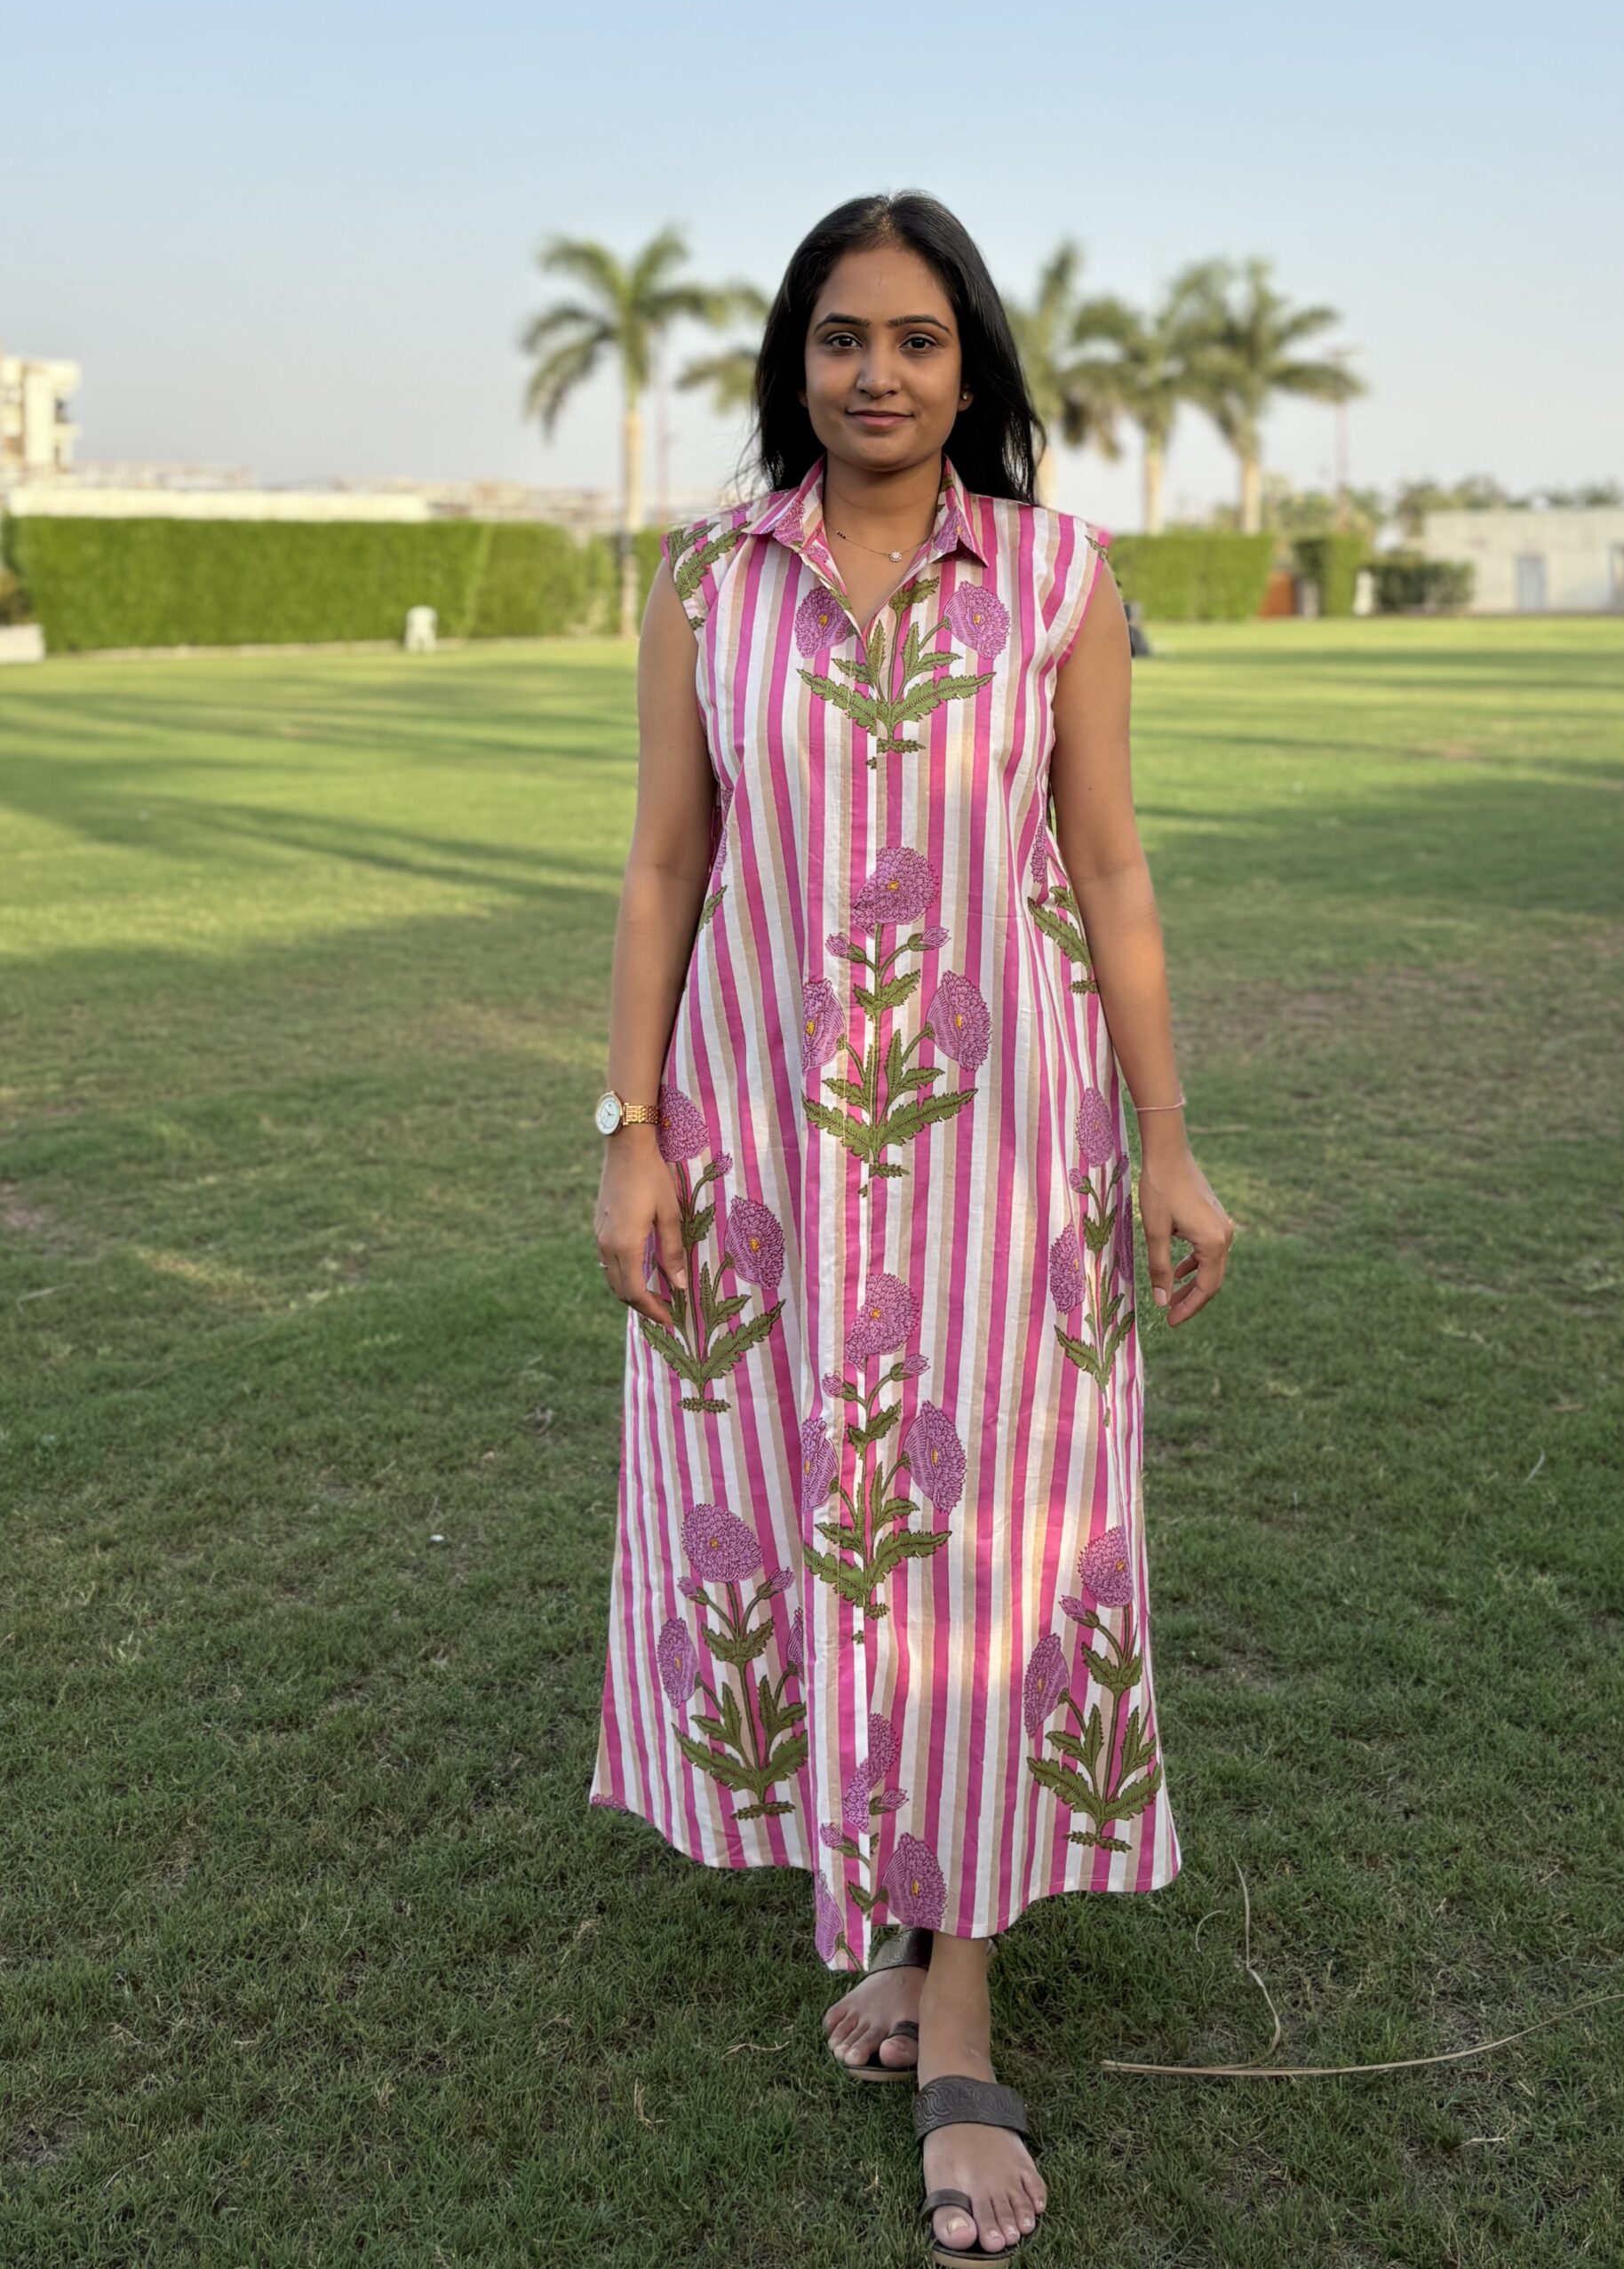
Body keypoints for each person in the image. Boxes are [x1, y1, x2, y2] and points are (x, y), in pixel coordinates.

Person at [589, 189, 1231, 2264]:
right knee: (814, 1527)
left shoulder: (1056, 578)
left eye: (919, 339)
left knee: (993, 1550)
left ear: (972, 371)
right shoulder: (708, 583)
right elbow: (665, 865)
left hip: (1008, 1169)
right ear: (796, 359)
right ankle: (881, 1908)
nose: (878, 372)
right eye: (843, 336)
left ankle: (958, 2009)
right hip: (767, 1157)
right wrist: (630, 1130)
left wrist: (1165, 1142)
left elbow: (1109, 872)